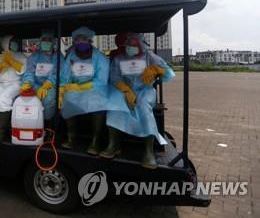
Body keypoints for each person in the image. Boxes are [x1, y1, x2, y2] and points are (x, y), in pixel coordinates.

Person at [100, 32, 175, 169]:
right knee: (113, 103)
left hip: (145, 91)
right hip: (125, 90)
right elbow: (115, 78)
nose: (131, 47)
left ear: (141, 45)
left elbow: (169, 73)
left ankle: (148, 151)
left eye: (135, 45)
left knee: (143, 105)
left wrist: (156, 69)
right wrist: (126, 90)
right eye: (129, 44)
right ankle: (114, 144)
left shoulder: (150, 57)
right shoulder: (119, 59)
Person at [59, 26, 110, 155]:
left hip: (95, 90)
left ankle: (95, 141)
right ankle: (71, 137)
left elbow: (102, 80)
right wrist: (63, 88)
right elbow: (65, 76)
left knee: (99, 105)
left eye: (83, 39)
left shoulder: (99, 57)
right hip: (75, 90)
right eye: (77, 40)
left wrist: (83, 87)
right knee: (67, 100)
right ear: (74, 42)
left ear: (89, 40)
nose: (80, 42)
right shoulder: (71, 56)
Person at [20, 30, 63, 121]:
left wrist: (48, 84)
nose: (46, 42)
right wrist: (28, 82)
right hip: (35, 84)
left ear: (53, 42)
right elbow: (29, 71)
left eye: (49, 40)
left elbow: (59, 72)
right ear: (40, 41)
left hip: (51, 85)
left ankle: (46, 122)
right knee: (23, 97)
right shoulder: (34, 56)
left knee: (49, 98)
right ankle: (30, 121)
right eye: (44, 40)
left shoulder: (58, 56)